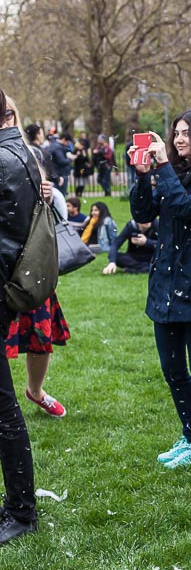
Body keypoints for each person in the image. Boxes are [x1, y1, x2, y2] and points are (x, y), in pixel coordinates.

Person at [131, 111, 191, 469]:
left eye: (187, 133)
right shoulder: (172, 175)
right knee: (172, 368)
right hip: (166, 285)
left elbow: (189, 210)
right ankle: (190, 434)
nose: (179, 139)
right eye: (176, 133)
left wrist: (163, 169)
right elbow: (143, 214)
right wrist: (143, 177)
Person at [2, 98, 69, 420]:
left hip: (31, 258)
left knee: (40, 336)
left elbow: (46, 195)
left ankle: (35, 390)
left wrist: (45, 190)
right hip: (8, 254)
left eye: (12, 113)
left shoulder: (32, 152)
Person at [0, 87, 40, 544]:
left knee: (3, 407)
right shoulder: (20, 152)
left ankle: (22, 510)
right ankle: (18, 504)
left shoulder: (7, 158)